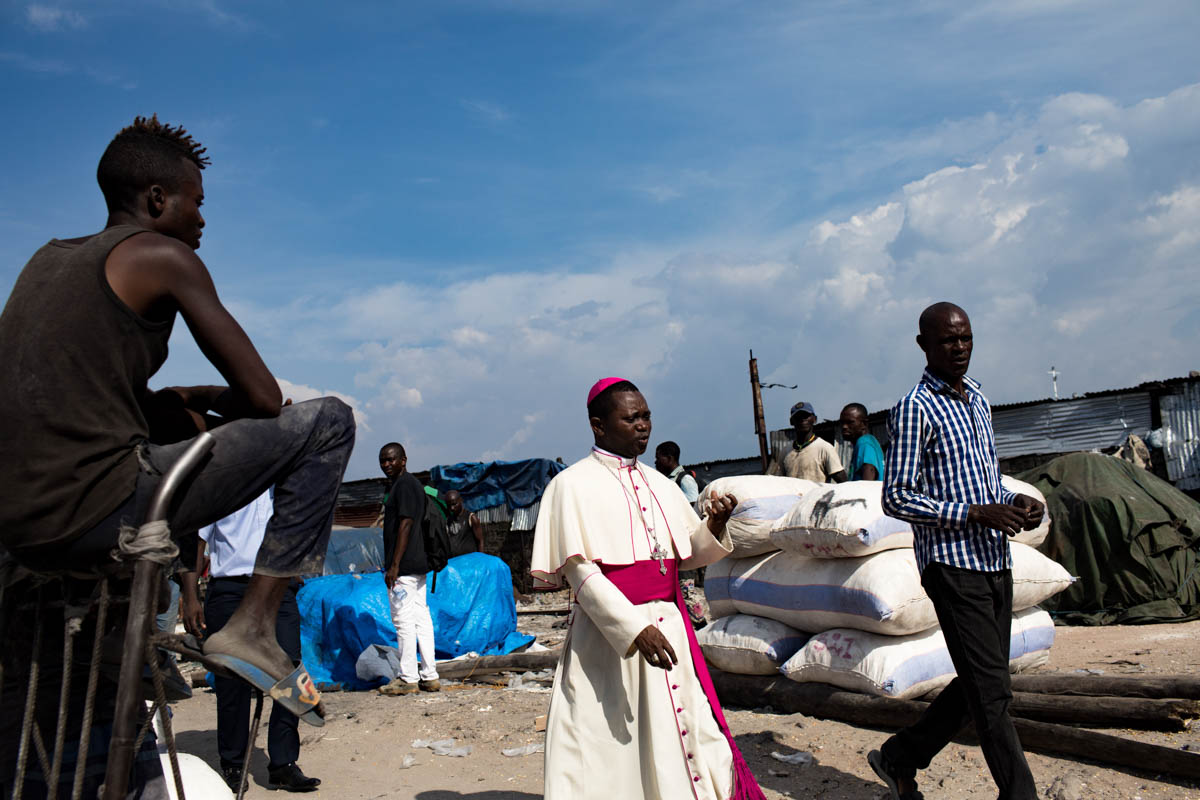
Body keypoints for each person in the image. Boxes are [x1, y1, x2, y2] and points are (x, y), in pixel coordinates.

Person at [0, 116, 354, 727]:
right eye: (197, 202)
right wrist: (207, 395)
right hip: (97, 507)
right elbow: (265, 397)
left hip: (21, 523)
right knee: (329, 423)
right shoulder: (163, 255)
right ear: (157, 200)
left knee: (176, 414)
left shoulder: (47, 260)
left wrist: (185, 400)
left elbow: (82, 399)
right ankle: (253, 625)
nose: (202, 219)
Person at [532, 377, 766, 800]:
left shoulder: (662, 484)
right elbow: (580, 573)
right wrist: (632, 628)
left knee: (685, 733)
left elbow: (685, 555)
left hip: (669, 628)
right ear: (598, 426)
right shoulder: (571, 485)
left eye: (646, 416)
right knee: (610, 747)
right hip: (609, 640)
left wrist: (714, 524)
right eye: (631, 417)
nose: (643, 425)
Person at [870, 302, 1044, 800]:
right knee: (991, 693)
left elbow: (985, 482)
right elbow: (896, 495)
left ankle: (901, 756)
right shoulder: (915, 409)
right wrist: (972, 514)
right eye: (948, 341)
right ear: (923, 345)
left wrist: (1014, 501)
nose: (960, 347)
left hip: (993, 558)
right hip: (951, 565)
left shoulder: (979, 401)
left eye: (966, 337)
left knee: (982, 682)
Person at [181, 489, 320, 793]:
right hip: (230, 589)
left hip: (277, 588)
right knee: (232, 680)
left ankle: (283, 765)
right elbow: (197, 541)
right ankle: (233, 764)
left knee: (290, 673)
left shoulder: (285, 484)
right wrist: (189, 595)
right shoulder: (225, 482)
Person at [378, 443, 440, 695]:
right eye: (382, 460)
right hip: (418, 565)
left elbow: (405, 525)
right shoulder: (413, 485)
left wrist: (394, 565)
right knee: (421, 619)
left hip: (404, 568)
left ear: (403, 460)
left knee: (403, 621)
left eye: (391, 460)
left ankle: (408, 678)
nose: (386, 465)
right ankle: (430, 675)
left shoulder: (403, 486)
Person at [767, 401, 847, 482]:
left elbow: (843, 481)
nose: (802, 420)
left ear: (814, 419)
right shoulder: (785, 452)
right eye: (798, 417)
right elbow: (781, 482)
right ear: (791, 422)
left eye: (806, 416)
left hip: (817, 494)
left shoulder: (824, 448)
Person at [839, 402, 885, 481]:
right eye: (842, 423)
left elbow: (869, 475)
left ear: (864, 424)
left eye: (850, 422)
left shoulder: (864, 444)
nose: (844, 427)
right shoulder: (869, 441)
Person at [443, 489, 483, 557]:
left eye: (454, 504)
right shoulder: (448, 520)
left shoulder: (471, 518)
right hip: (455, 562)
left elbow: (480, 541)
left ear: (461, 500)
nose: (452, 508)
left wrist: (481, 560)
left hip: (470, 561)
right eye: (449, 505)